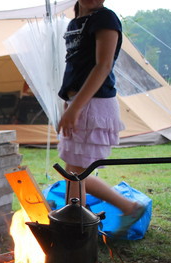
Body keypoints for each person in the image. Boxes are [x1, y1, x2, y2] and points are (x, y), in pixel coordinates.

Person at [57, 0, 145, 236]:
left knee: (76, 173)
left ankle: (128, 207)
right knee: (72, 172)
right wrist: (68, 103)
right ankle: (77, 226)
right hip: (78, 102)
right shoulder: (75, 23)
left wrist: (75, 108)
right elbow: (74, 67)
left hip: (93, 105)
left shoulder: (105, 18)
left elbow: (103, 65)